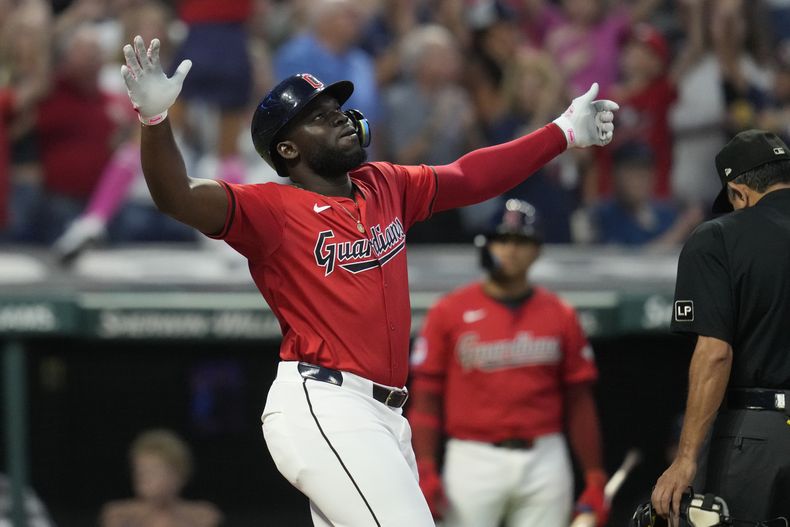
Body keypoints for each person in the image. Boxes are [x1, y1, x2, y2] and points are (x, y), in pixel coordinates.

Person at [120, 33, 618, 526]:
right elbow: (177, 196)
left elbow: (470, 176)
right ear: (288, 148)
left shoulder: (384, 183)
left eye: (337, 108)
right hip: (326, 403)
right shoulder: (271, 209)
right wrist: (155, 120)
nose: (339, 116)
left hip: (385, 416)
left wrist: (562, 133)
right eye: (319, 116)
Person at [407, 199, 607, 527]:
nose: (511, 250)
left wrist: (595, 476)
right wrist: (425, 467)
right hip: (472, 456)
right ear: (485, 246)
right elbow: (426, 398)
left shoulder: (560, 313)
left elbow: (580, 402)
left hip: (544, 455)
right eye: (501, 239)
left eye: (521, 241)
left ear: (537, 250)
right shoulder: (449, 310)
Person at [651, 129, 790, 522]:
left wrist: (685, 458)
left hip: (760, 433)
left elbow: (715, 353)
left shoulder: (720, 237)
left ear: (738, 192)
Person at [100, 429, 222, 527]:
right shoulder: (119, 516)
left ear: (178, 475)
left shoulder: (201, 516)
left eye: (152, 471)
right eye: (139, 471)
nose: (142, 478)